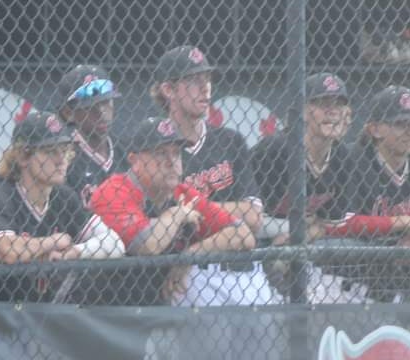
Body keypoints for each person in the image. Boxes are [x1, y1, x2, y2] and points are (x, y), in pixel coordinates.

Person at [0, 111, 124, 359]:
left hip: (28, 326)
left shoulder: (62, 197)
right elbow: (9, 251)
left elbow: (114, 243)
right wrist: (54, 241)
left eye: (64, 150)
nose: (61, 159)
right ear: (23, 156)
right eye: (50, 151)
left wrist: (74, 251)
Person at [91, 117, 264, 307]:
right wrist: (177, 214)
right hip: (97, 309)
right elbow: (148, 246)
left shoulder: (182, 193)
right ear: (135, 161)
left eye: (176, 153)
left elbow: (243, 235)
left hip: (149, 307)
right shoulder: (114, 190)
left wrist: (190, 255)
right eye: (160, 153)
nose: (171, 162)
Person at [324, 85, 410, 303]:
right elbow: (342, 222)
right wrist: (403, 223)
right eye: (401, 124)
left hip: (404, 277)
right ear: (375, 129)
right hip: (349, 280)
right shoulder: (352, 160)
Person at [250, 72, 354, 303]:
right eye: (323, 103)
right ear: (305, 111)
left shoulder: (343, 157)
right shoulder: (274, 151)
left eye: (339, 104)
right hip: (253, 253)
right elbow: (247, 219)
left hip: (299, 252)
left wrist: (302, 235)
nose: (333, 111)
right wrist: (293, 230)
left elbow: (328, 224)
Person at [149, 45, 262, 231]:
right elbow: (160, 223)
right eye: (193, 80)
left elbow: (254, 217)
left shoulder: (231, 141)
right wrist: (229, 213)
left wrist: (188, 211)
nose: (205, 88)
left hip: (233, 255)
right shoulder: (154, 146)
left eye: (207, 78)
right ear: (169, 89)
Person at [55, 64, 126, 206]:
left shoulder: (128, 151)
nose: (101, 112)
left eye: (106, 102)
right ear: (68, 113)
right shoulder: (61, 160)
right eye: (89, 106)